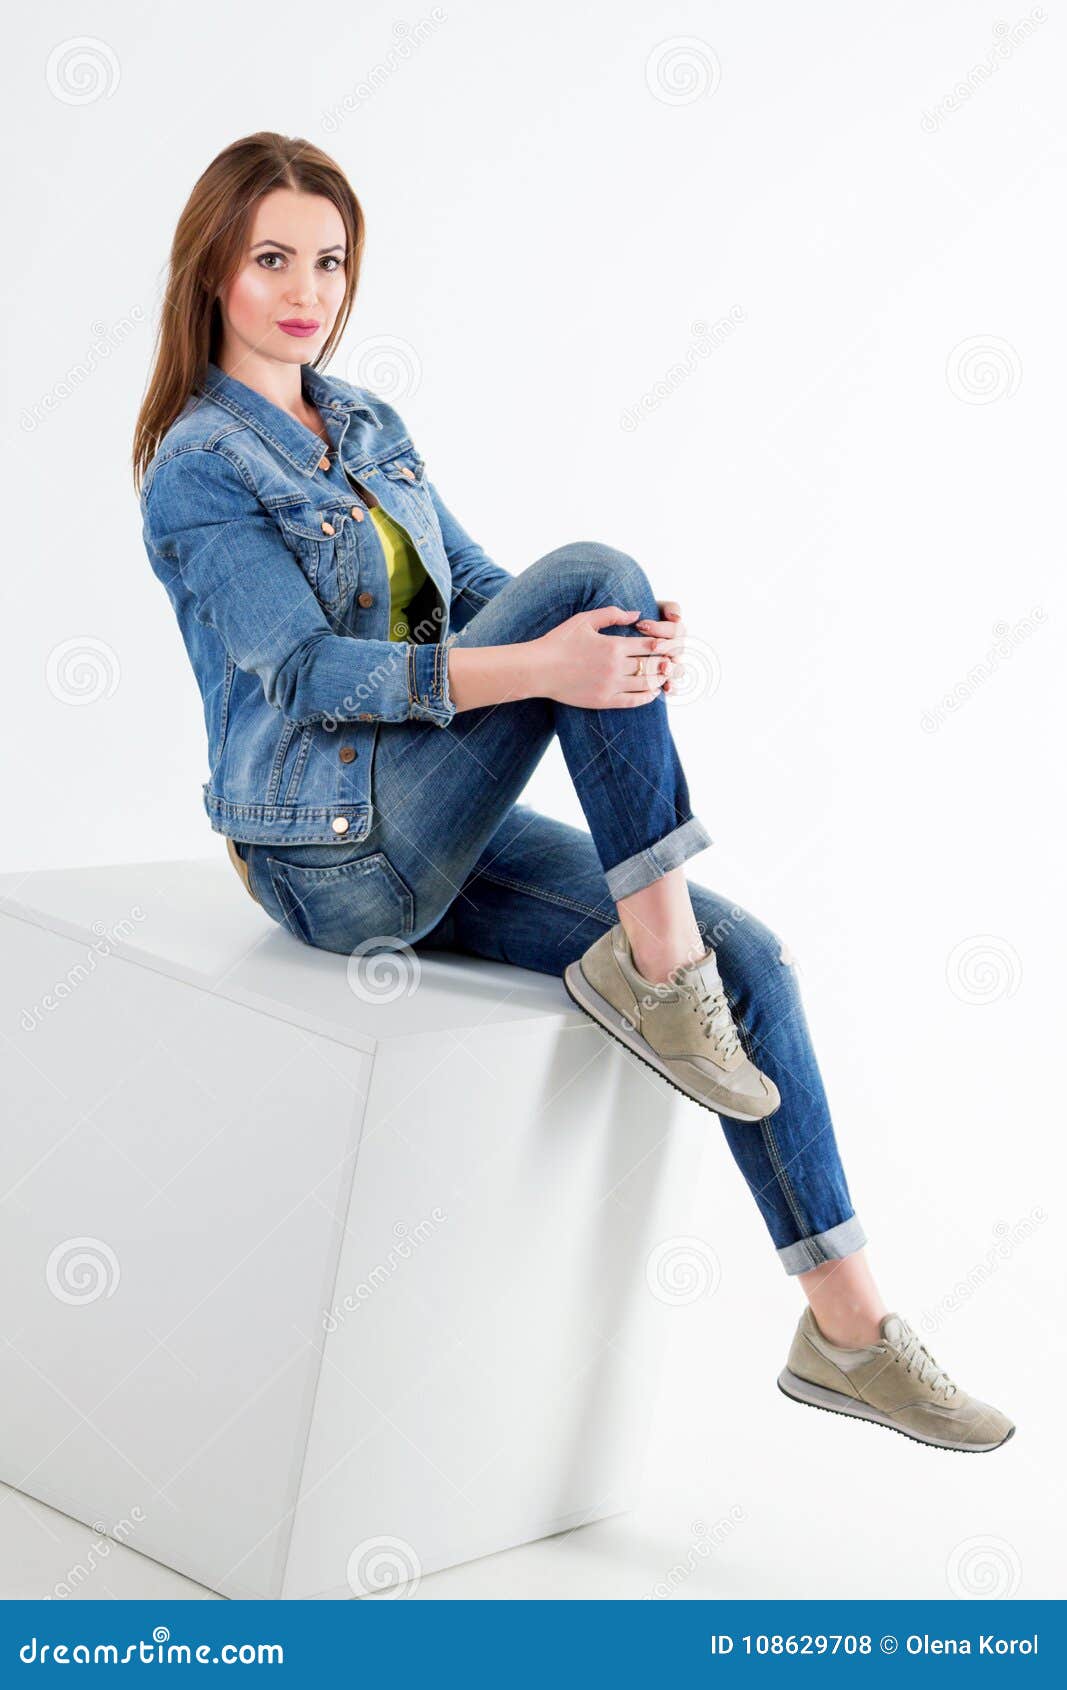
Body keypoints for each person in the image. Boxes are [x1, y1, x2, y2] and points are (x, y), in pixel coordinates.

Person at [133, 131, 1014, 1454]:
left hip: (423, 816)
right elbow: (309, 671)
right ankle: (661, 976)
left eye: (329, 259)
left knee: (751, 955)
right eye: (272, 260)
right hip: (324, 852)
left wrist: (602, 648)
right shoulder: (199, 468)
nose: (307, 288)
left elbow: (476, 593)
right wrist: (550, 653)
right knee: (591, 572)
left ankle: (849, 1329)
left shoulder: (363, 422)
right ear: (212, 271)